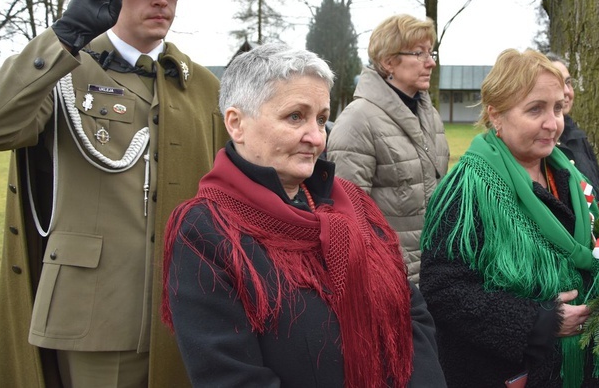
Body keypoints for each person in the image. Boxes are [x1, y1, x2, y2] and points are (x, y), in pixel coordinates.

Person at [0, 0, 228, 387]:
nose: (161, 0)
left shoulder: (204, 88)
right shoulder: (64, 70)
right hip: (96, 312)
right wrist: (63, 36)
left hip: (188, 310)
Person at [161, 43, 446, 387]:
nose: (317, 137)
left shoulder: (352, 203)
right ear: (236, 124)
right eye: (295, 116)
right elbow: (231, 375)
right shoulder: (206, 231)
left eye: (322, 118)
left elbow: (410, 311)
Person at [420, 48, 599, 388]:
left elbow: (596, 255)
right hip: (504, 374)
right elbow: (443, 291)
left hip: (578, 368)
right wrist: (538, 321)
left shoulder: (569, 175)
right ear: (496, 115)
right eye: (535, 109)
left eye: (556, 107)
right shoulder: (465, 190)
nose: (552, 123)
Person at [327, 14, 450, 282]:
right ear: (388, 62)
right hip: (392, 280)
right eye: (418, 53)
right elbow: (350, 219)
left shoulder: (430, 116)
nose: (430, 62)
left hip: (438, 275)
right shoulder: (357, 121)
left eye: (431, 52)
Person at [546, 53, 599, 200]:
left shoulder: (577, 136)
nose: (567, 92)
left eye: (568, 82)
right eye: (557, 83)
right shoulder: (541, 142)